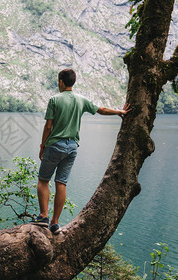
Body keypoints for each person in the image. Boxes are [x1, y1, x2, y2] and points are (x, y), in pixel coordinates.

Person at [31, 68, 131, 234]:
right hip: (72, 148)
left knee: (43, 180)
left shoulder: (54, 100)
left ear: (62, 82)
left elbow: (48, 126)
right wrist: (119, 112)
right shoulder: (81, 100)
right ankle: (55, 223)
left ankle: (43, 217)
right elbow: (102, 110)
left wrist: (42, 146)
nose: (58, 84)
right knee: (61, 183)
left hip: (55, 145)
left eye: (58, 81)